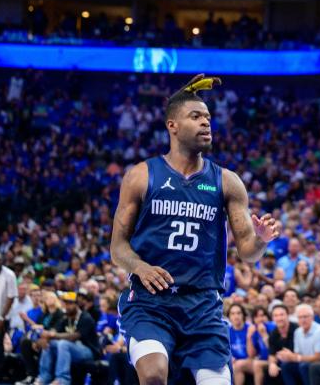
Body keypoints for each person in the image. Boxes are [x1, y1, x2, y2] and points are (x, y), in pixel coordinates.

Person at [109, 75, 281, 385]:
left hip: (203, 306)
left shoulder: (227, 181)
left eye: (208, 118)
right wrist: (140, 266)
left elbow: (248, 252)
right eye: (196, 116)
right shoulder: (141, 175)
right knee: (153, 375)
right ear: (172, 125)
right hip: (151, 302)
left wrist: (262, 241)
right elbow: (118, 247)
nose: (206, 123)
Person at [37, 291, 101, 385]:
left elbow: (75, 336)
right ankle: (44, 377)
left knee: (63, 343)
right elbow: (55, 330)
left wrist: (53, 335)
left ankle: (62, 380)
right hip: (72, 349)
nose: (67, 306)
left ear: (77, 304)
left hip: (89, 351)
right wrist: (46, 338)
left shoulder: (85, 317)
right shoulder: (65, 317)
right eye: (65, 303)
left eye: (70, 303)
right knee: (50, 344)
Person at [0, 251, 18, 380]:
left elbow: (11, 298)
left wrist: (2, 318)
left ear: (2, 260)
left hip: (3, 317)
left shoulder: (9, 274)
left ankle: (1, 372)